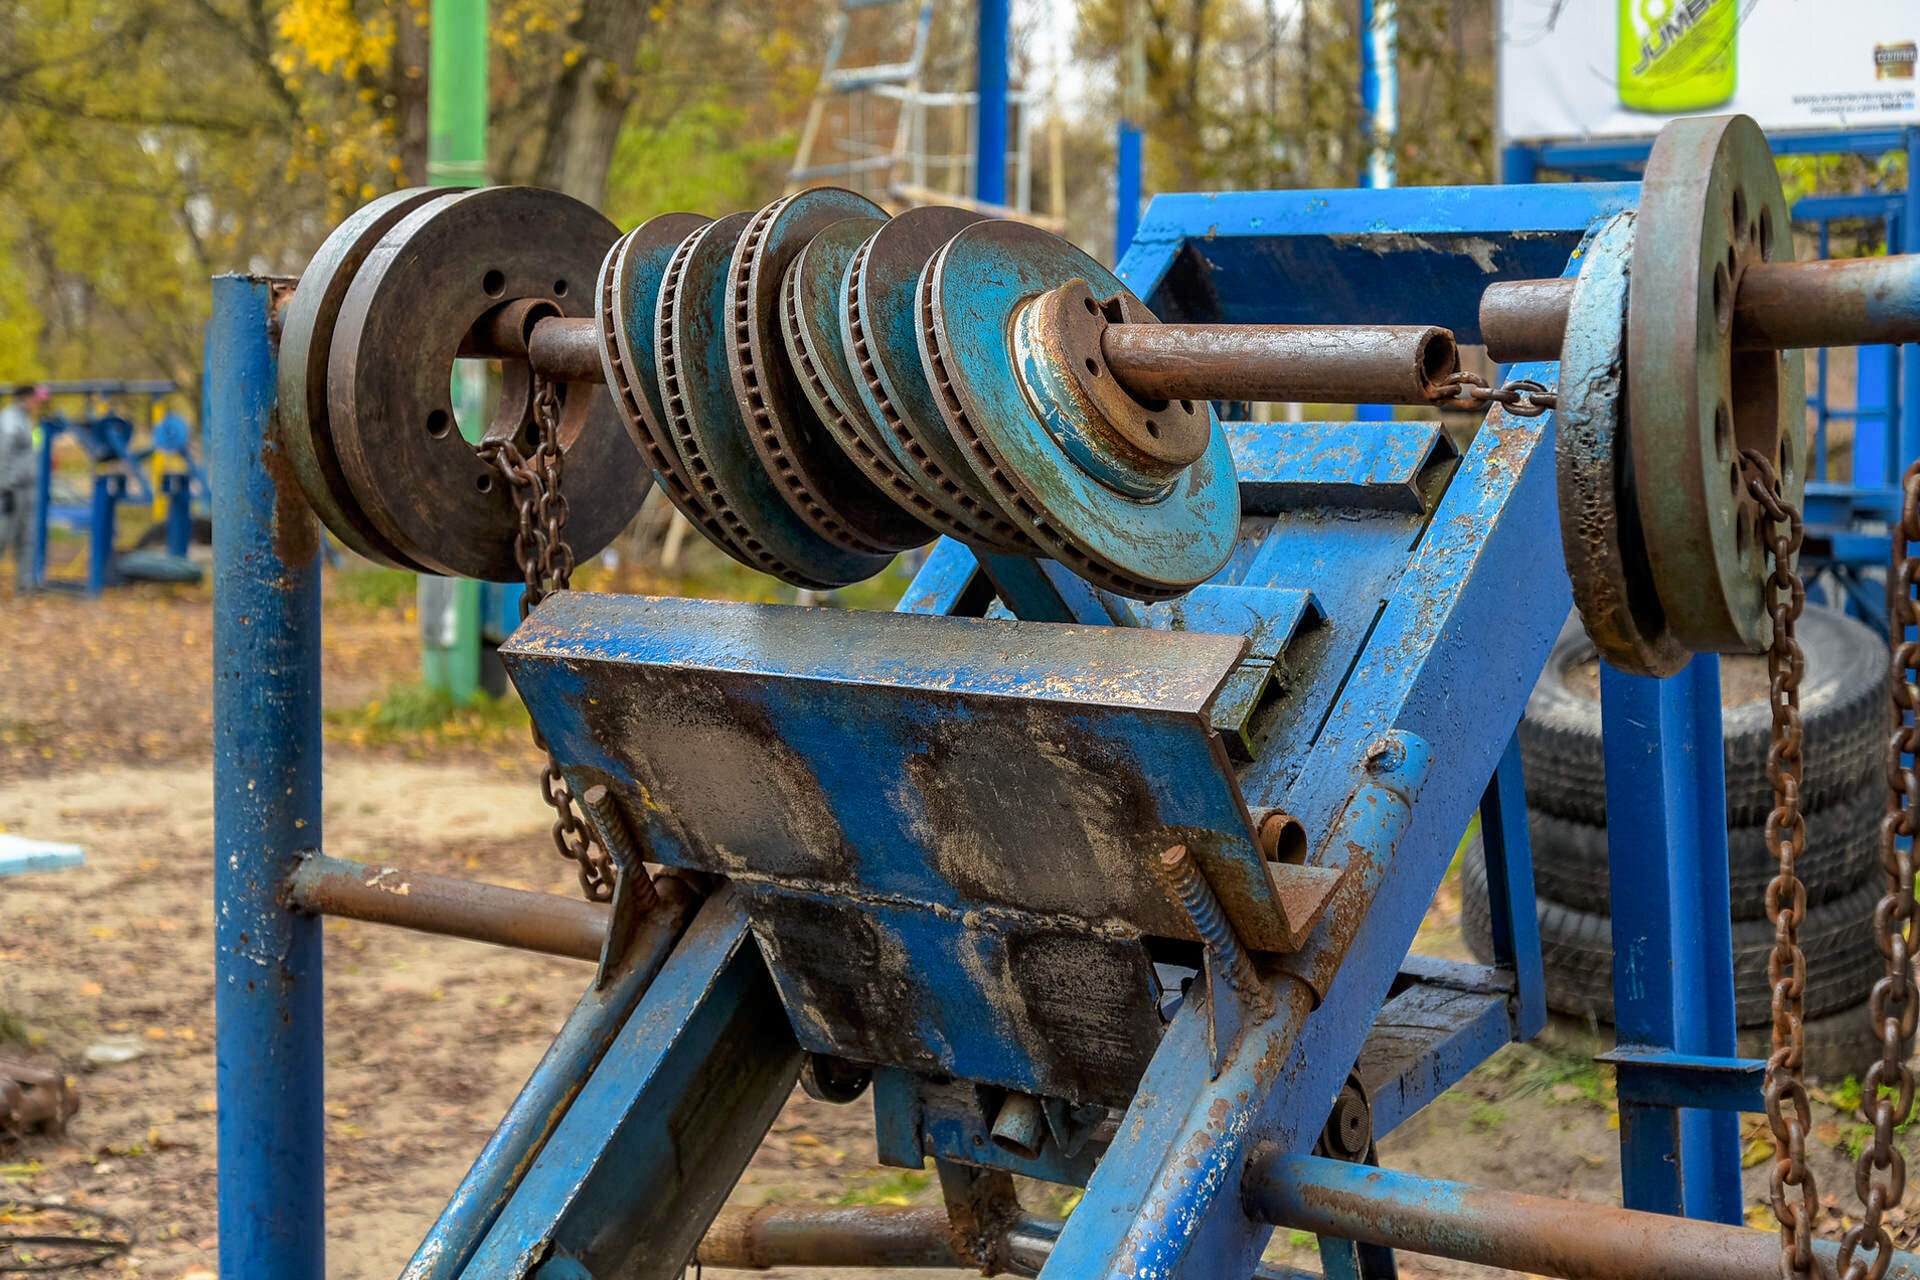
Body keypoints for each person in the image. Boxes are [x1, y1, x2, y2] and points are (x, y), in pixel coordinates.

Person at [0, 385, 45, 592]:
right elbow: (3, 454)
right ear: (24, 398)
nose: (38, 404)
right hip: (11, 489)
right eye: (35, 399)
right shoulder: (9, 420)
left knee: (27, 537)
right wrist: (4, 487)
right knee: (3, 536)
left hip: (27, 487)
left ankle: (25, 585)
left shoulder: (26, 419)